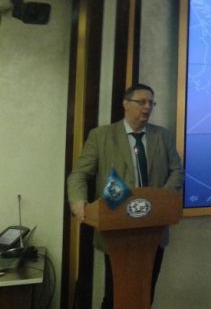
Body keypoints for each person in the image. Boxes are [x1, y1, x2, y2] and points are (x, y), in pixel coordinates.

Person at [67, 83, 184, 308]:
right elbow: (79, 174)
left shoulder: (163, 136)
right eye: (141, 102)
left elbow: (177, 171)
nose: (147, 107)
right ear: (125, 104)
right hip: (117, 229)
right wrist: (78, 201)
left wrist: (159, 201)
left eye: (151, 103)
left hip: (153, 228)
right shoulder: (101, 136)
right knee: (115, 296)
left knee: (145, 294)